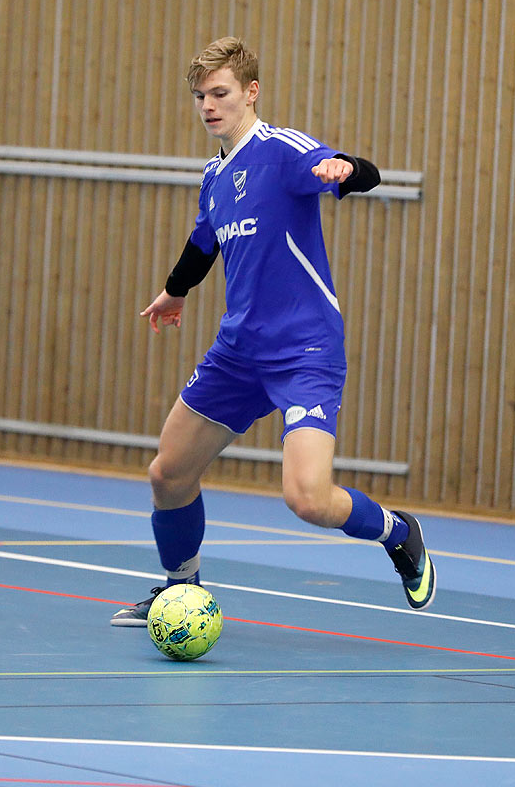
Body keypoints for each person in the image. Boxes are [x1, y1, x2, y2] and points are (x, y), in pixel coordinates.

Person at [109, 36, 435, 627]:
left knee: (308, 498)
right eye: (200, 96)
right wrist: (174, 292)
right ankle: (179, 589)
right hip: (239, 351)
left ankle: (398, 531)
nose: (209, 105)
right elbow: (202, 244)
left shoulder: (282, 150)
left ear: (250, 92)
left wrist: (345, 170)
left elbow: (365, 172)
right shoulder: (215, 175)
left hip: (304, 350)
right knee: (168, 472)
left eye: (220, 93)